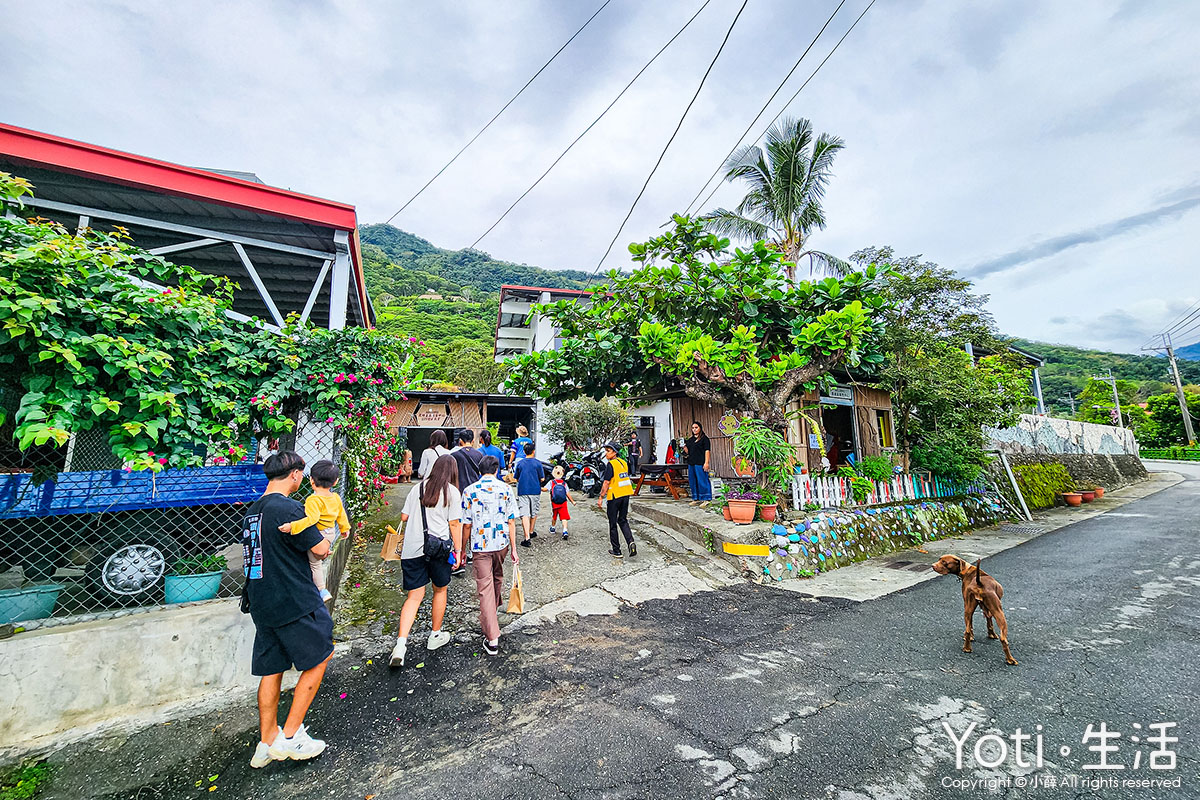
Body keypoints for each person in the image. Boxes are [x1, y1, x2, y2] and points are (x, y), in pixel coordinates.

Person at [241, 451, 333, 767]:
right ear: (294, 475)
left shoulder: (252, 512)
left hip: (261, 600)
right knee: (321, 654)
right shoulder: (291, 509)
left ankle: (266, 741)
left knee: (272, 668)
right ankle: (291, 736)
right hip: (293, 598)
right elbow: (320, 549)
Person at [389, 454, 463, 668]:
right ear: (452, 472)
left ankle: (400, 646)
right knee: (440, 589)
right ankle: (435, 636)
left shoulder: (417, 488)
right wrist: (458, 551)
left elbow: (404, 517)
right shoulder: (451, 492)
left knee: (414, 596)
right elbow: (455, 524)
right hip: (438, 549)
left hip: (412, 549)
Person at [460, 455, 519, 655]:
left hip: (480, 546)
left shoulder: (469, 491)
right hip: (501, 544)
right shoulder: (506, 489)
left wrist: (461, 548)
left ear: (479, 470)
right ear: (496, 470)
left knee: (486, 588)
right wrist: (514, 549)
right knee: (496, 578)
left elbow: (466, 524)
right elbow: (512, 521)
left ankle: (491, 636)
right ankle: (491, 620)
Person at [277, 459, 350, 602]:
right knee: (317, 559)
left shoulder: (313, 500)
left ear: (311, 479)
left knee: (314, 564)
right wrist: (345, 528)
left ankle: (322, 590)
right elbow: (341, 514)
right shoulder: (335, 497)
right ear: (335, 482)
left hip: (318, 534)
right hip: (330, 534)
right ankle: (324, 556)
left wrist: (292, 526)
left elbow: (312, 519)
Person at [597, 441, 636, 558]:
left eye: (608, 451)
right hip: (626, 495)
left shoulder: (611, 464)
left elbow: (606, 482)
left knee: (613, 523)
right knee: (623, 520)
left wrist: (600, 497)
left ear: (614, 453)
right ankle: (631, 541)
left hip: (614, 497)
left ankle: (617, 550)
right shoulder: (623, 463)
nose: (606, 453)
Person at [512, 441, 545, 548]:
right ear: (533, 451)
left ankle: (527, 537)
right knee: (533, 512)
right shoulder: (538, 463)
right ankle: (531, 531)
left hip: (523, 491)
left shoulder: (520, 463)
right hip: (535, 490)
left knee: (524, 513)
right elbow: (542, 478)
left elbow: (515, 478)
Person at [683, 421, 713, 505]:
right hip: (691, 463)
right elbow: (688, 452)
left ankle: (706, 498)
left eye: (696, 427)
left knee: (702, 480)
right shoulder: (690, 440)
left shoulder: (704, 439)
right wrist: (684, 448)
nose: (694, 429)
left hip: (700, 462)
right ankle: (695, 498)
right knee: (693, 481)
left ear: (700, 428)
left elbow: (707, 451)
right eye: (693, 428)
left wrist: (706, 462)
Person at [546, 464, 574, 540]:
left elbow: (545, 489)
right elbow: (567, 493)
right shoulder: (564, 483)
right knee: (564, 517)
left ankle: (553, 527)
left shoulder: (551, 482)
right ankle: (565, 530)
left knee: (554, 516)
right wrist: (572, 501)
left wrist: (539, 488)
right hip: (563, 503)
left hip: (554, 503)